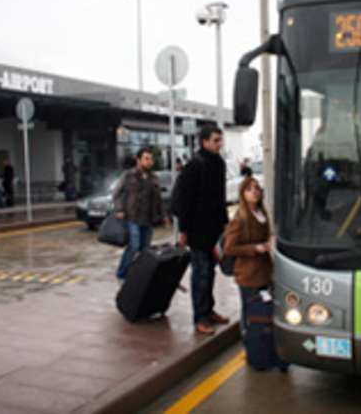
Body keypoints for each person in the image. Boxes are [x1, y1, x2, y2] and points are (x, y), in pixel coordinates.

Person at [173, 124, 230, 335]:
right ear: (204, 142)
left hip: (214, 229)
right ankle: (200, 317)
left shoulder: (219, 164)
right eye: (215, 140)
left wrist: (225, 223)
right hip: (197, 230)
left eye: (220, 140)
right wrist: (183, 231)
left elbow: (221, 197)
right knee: (201, 273)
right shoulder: (194, 166)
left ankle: (209, 309)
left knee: (211, 272)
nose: (219, 144)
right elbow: (183, 201)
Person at [113, 147, 170, 281]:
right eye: (146, 159)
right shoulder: (128, 175)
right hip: (132, 217)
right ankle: (122, 272)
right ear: (138, 160)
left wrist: (163, 216)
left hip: (148, 218)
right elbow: (117, 193)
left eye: (151, 159)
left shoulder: (154, 178)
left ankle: (139, 273)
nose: (149, 162)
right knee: (133, 245)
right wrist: (119, 209)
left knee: (145, 250)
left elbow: (158, 200)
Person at [223, 176, 273, 323]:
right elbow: (229, 248)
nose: (254, 192)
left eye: (256, 188)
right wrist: (255, 248)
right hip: (248, 274)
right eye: (249, 189)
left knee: (262, 314)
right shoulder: (240, 219)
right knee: (250, 314)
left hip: (264, 272)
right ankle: (249, 341)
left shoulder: (261, 213)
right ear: (242, 194)